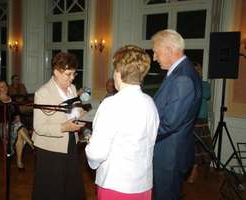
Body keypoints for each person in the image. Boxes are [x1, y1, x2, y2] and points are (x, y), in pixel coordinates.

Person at [85, 45, 160, 200]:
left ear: (118, 74)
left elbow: (97, 152)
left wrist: (89, 146)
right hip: (143, 184)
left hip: (116, 184)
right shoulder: (149, 102)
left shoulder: (111, 104)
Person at [151, 29, 202, 200]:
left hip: (169, 156)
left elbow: (170, 123)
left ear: (169, 51)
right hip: (169, 154)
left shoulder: (183, 77)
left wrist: (143, 135)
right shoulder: (181, 72)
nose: (154, 58)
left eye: (156, 53)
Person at [31, 52, 87, 200]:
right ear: (56, 72)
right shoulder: (43, 93)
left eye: (74, 74)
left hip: (70, 142)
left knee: (70, 184)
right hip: (50, 148)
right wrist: (63, 127)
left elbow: (73, 110)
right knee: (52, 188)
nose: (72, 78)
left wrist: (81, 114)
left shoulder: (72, 89)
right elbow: (39, 127)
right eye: (68, 74)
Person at [0, 80, 34, 172]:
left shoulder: (12, 99)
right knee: (17, 125)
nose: (5, 88)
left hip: (15, 125)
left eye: (6, 86)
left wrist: (17, 116)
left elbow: (17, 112)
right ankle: (32, 144)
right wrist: (13, 118)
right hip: (0, 125)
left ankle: (19, 161)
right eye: (2, 86)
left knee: (18, 132)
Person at [187, 61, 213, 183]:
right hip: (189, 118)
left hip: (201, 118)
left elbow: (207, 94)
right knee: (189, 145)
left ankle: (194, 171)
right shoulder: (186, 84)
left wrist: (196, 82)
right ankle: (188, 168)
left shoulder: (204, 84)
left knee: (198, 146)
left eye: (195, 71)